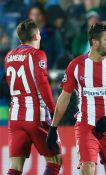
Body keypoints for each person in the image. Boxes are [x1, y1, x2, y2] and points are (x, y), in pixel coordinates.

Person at [46, 23, 106, 175]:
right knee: (88, 166)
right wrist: (53, 128)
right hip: (86, 126)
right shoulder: (76, 65)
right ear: (94, 41)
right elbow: (64, 98)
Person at [4, 19, 62, 175]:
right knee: (55, 161)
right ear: (36, 36)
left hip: (15, 116)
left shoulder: (9, 56)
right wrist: (53, 109)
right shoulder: (37, 54)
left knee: (15, 166)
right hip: (36, 114)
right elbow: (43, 84)